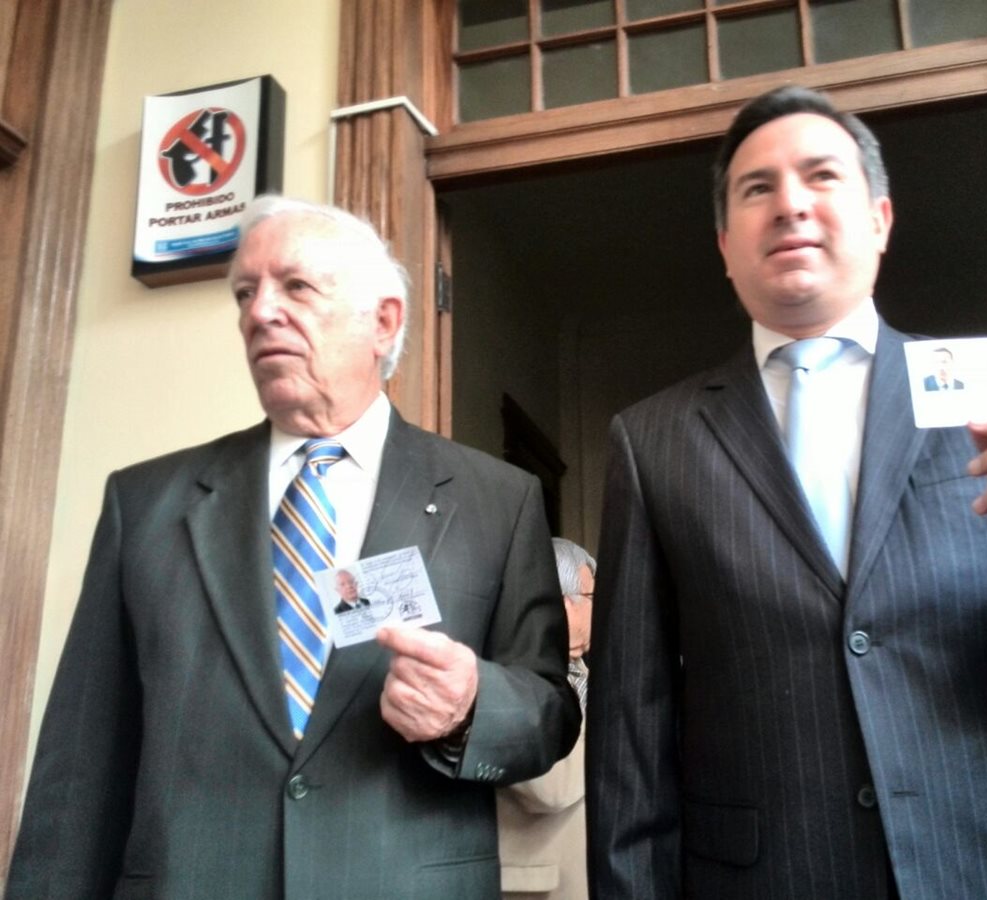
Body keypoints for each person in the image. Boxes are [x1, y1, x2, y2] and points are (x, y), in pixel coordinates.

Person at [585, 85, 987, 900]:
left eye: (821, 176)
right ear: (726, 244)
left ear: (879, 219)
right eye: (757, 188)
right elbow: (631, 722)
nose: (790, 204)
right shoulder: (652, 439)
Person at [7, 195, 580, 899]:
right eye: (245, 293)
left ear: (384, 321)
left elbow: (550, 715)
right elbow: (80, 765)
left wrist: (470, 708)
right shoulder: (146, 503)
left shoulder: (498, 500)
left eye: (296, 286)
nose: (260, 312)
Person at [497, 537, 594, 900]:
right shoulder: (512, 674)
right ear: (562, 602)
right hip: (541, 888)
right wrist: (621, 734)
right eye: (593, 597)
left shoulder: (584, 671)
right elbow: (550, 788)